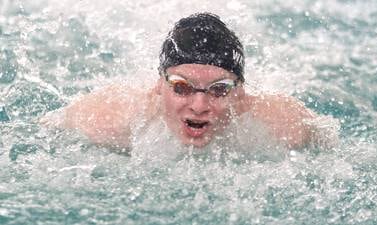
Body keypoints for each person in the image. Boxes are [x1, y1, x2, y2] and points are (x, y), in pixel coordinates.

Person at [42, 12, 338, 150]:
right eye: (182, 87)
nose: (199, 105)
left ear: (241, 94)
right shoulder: (107, 120)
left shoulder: (286, 126)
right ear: (159, 86)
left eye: (219, 90)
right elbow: (38, 133)